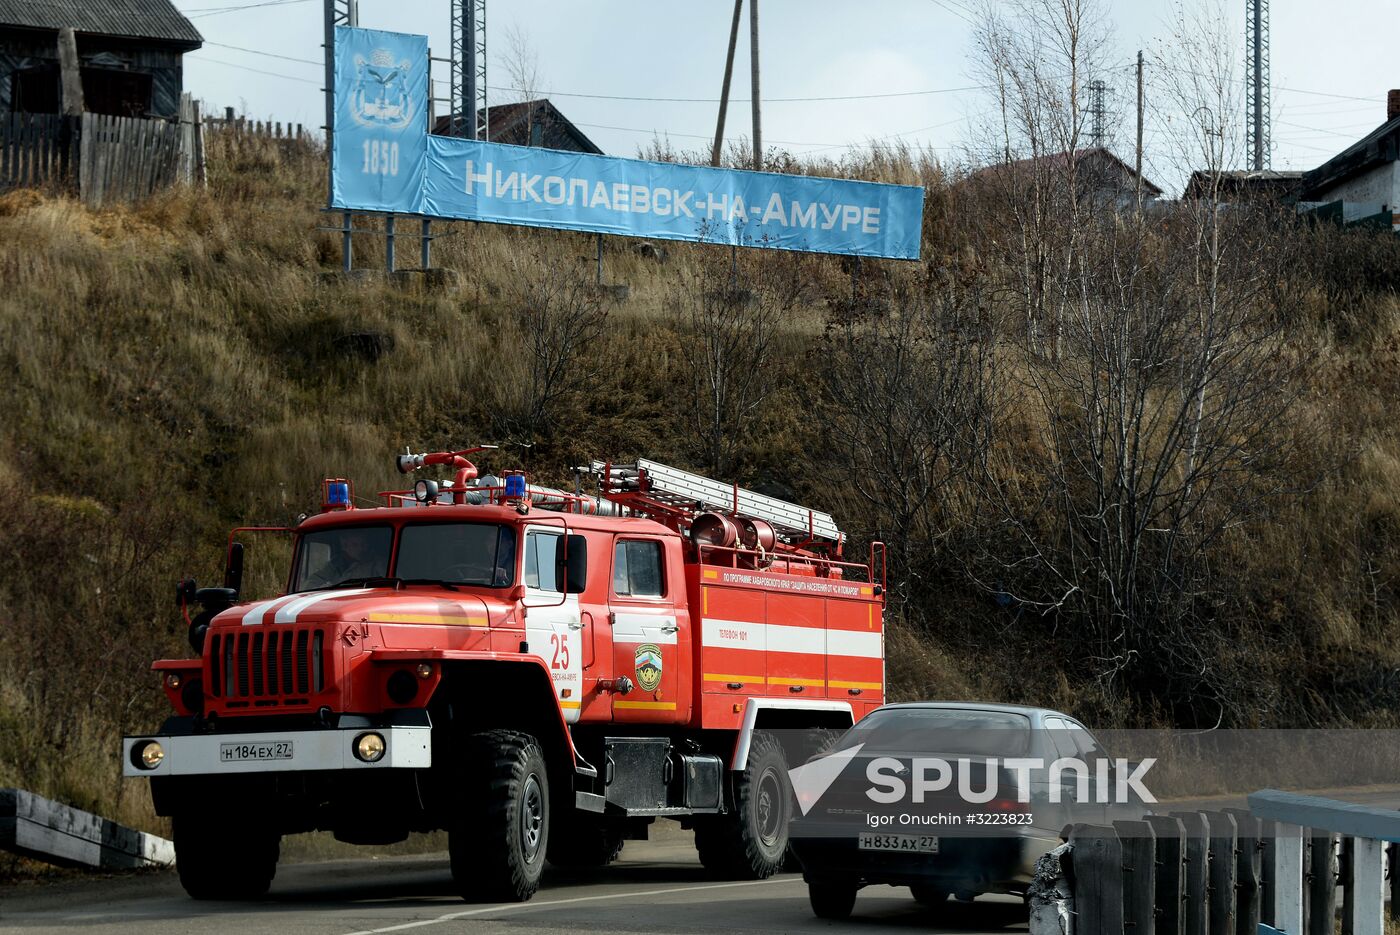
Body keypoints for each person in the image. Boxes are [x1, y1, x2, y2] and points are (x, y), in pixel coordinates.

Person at [304, 528, 385, 589]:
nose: (362, 548)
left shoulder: (377, 563)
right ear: (345, 546)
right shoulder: (335, 564)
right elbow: (312, 583)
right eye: (355, 545)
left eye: (363, 544)